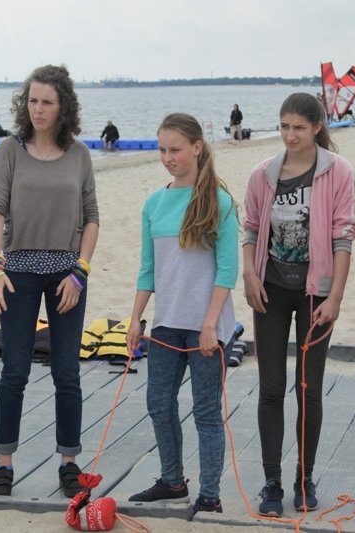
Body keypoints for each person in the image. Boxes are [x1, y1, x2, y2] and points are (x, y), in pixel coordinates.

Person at [0, 64, 99, 498]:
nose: (38, 109)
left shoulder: (79, 155)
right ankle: (4, 464)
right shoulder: (9, 151)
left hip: (68, 274)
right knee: (14, 370)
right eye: (32, 100)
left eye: (47, 102)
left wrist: (80, 272)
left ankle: (69, 462)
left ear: (63, 106)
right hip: (17, 272)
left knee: (67, 372)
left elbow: (92, 218)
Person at [243, 93, 355, 516]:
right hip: (269, 291)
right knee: (272, 388)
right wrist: (249, 274)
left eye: (299, 127)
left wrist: (335, 297)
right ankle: (271, 482)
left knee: (308, 388)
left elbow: (343, 236)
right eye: (284, 126)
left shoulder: (338, 171)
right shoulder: (262, 174)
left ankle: (304, 478)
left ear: (317, 127)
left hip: (316, 295)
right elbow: (251, 229)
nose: (290, 135)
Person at [126, 112, 239, 514]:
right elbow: (148, 270)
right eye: (162, 150)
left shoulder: (219, 202)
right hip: (166, 324)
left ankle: (210, 495)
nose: (167, 158)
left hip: (208, 326)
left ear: (196, 147)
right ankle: (173, 482)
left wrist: (210, 324)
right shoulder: (154, 203)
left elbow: (227, 270)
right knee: (159, 403)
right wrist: (136, 319)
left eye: (175, 149)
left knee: (206, 411)